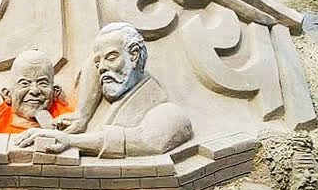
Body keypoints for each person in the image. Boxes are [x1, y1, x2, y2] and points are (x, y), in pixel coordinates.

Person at [14, 23, 193, 157]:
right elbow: (92, 65)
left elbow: (147, 141)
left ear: (134, 55)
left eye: (111, 57)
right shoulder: (108, 87)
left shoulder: (168, 113)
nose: (101, 68)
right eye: (98, 63)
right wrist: (82, 115)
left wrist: (71, 141)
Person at [0, 49, 71, 134]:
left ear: (55, 92)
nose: (34, 90)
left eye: (42, 83)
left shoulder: (70, 127)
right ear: (7, 95)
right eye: (24, 83)